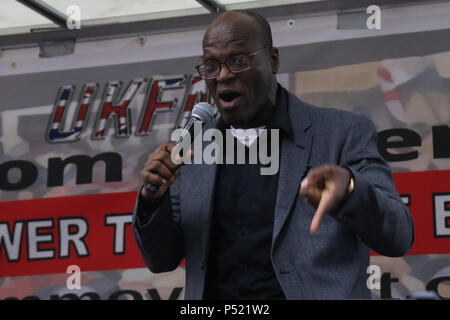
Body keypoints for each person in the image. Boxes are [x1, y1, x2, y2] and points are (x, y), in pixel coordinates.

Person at [133, 10, 414, 300]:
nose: (224, 75)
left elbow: (398, 236)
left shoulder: (342, 133)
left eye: (239, 60)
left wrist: (351, 190)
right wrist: (153, 200)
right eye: (211, 65)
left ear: (273, 60)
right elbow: (160, 259)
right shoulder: (191, 150)